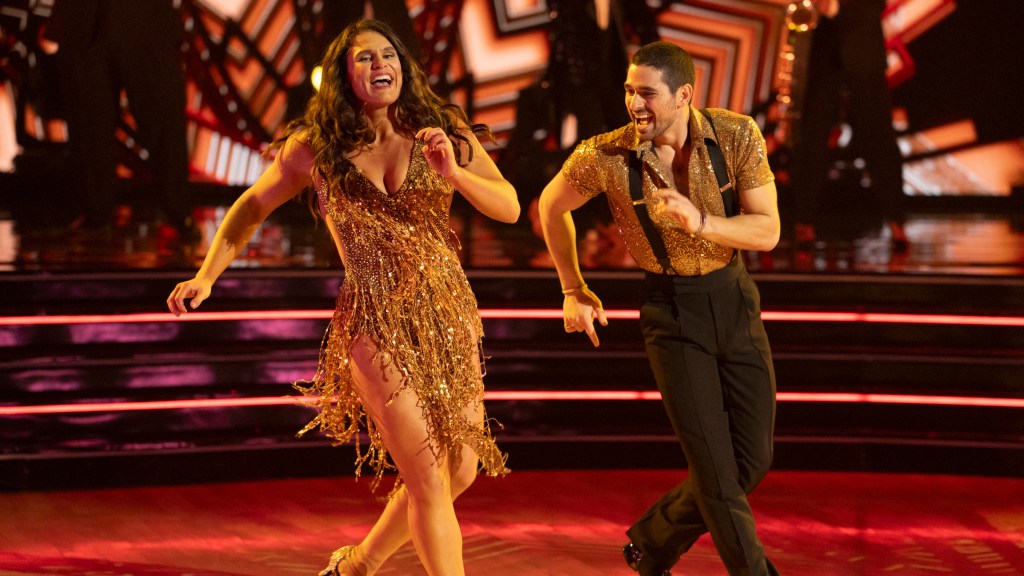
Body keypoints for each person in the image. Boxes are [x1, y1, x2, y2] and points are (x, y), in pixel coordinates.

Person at [167, 19, 518, 576]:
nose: (380, 65)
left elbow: (509, 206)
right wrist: (207, 275)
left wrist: (454, 172)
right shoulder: (317, 147)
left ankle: (357, 565)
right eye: (365, 58)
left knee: (459, 471)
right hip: (373, 320)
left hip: (447, 313)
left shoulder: (442, 130)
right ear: (343, 75)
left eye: (389, 55)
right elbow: (252, 205)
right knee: (428, 477)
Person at [538, 41, 781, 575]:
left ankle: (652, 542)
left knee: (751, 460)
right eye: (629, 91)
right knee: (715, 472)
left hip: (735, 300)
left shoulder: (736, 133)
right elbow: (550, 206)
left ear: (684, 94)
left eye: (646, 93)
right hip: (672, 315)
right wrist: (572, 287)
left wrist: (703, 223)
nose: (634, 103)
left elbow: (768, 230)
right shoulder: (605, 155)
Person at [45, 0, 190, 235]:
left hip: (145, 17)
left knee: (163, 117)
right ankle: (95, 212)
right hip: (83, 18)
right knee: (87, 121)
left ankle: (177, 210)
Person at [789, 0, 908, 251]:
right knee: (812, 137)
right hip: (824, 55)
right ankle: (804, 220)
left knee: (879, 138)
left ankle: (896, 219)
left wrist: (834, 6)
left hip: (863, 50)